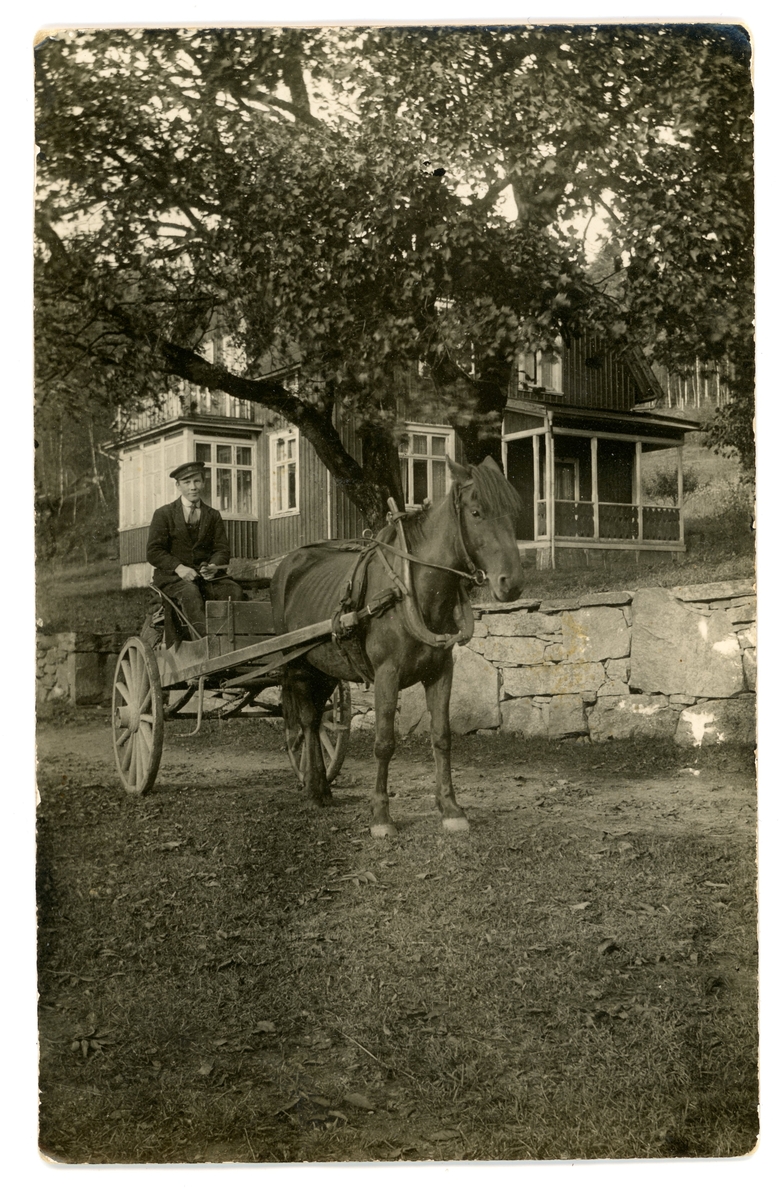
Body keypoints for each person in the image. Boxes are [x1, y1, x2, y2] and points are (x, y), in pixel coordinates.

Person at [146, 461, 244, 638]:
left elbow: (222, 549)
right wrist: (179, 568)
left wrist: (214, 566)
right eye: (187, 482)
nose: (193, 487)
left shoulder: (213, 515)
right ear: (178, 485)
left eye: (197, 481)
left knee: (233, 591)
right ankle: (204, 645)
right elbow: (154, 551)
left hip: (207, 578)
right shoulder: (164, 514)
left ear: (203, 483)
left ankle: (229, 640)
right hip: (173, 578)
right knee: (190, 593)